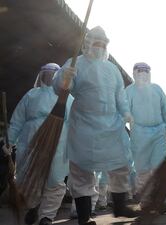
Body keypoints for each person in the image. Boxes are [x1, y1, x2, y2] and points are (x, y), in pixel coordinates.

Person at [53, 26, 137, 225]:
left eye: (103, 44)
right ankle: (84, 217)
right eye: (96, 43)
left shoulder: (112, 69)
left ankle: (120, 206)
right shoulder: (76, 63)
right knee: (82, 171)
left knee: (120, 165)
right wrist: (65, 77)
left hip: (111, 125)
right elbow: (61, 88)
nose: (99, 47)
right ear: (87, 44)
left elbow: (119, 95)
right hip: (84, 124)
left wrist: (125, 112)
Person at [3, 63, 72, 225]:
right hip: (30, 142)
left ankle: (46, 216)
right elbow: (17, 121)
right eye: (47, 74)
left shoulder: (67, 97)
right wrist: (9, 141)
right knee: (29, 177)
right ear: (41, 75)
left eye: (54, 75)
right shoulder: (31, 95)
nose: (49, 77)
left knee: (55, 179)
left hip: (58, 142)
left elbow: (76, 121)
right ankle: (33, 207)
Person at [125, 62, 166, 212]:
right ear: (134, 73)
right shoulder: (129, 91)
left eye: (146, 70)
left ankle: (164, 200)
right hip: (139, 135)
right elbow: (123, 111)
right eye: (140, 71)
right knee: (143, 170)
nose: (143, 73)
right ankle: (146, 202)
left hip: (158, 133)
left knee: (160, 167)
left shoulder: (157, 89)